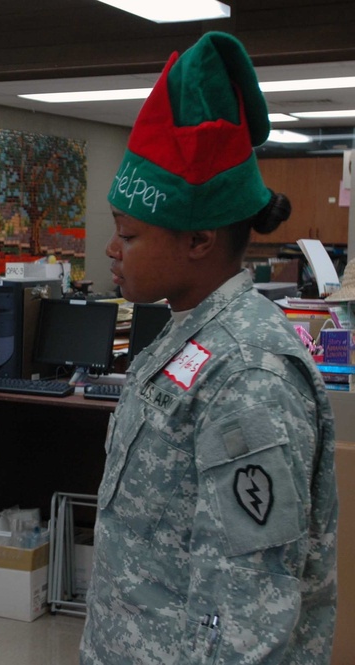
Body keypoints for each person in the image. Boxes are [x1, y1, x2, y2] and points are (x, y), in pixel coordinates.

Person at [80, 32, 338, 663]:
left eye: (129, 235)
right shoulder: (184, 331)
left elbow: (249, 607)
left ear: (199, 240)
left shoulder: (248, 374)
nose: (111, 250)